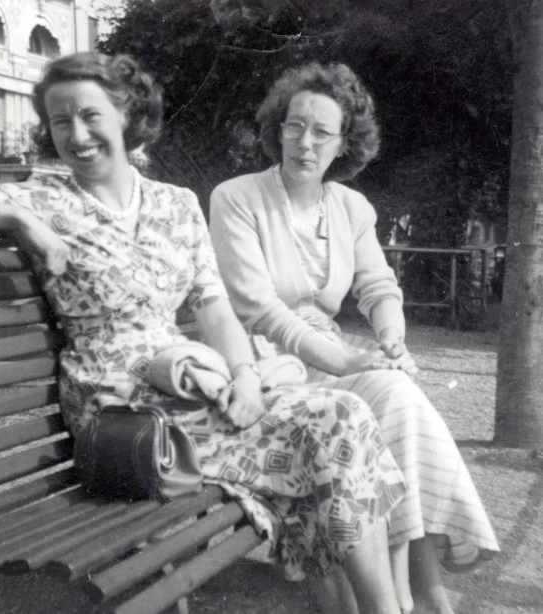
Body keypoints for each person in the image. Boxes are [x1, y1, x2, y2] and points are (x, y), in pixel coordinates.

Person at [0, 51, 410, 614]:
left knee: (341, 420)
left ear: (126, 116)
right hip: (117, 412)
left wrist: (245, 378)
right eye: (60, 121)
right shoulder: (42, 197)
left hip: (190, 390)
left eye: (91, 117)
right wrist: (21, 220)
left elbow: (214, 309)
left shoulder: (176, 204)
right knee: (331, 427)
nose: (77, 135)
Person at [209, 62, 500, 614]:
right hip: (257, 362)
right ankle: (419, 599)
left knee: (400, 397)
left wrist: (390, 339)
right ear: (277, 129)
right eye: (295, 126)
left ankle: (424, 595)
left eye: (322, 132)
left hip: (323, 357)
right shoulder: (236, 197)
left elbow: (378, 286)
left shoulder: (351, 207)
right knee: (379, 402)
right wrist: (347, 361)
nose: (305, 142)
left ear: (344, 143)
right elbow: (258, 309)